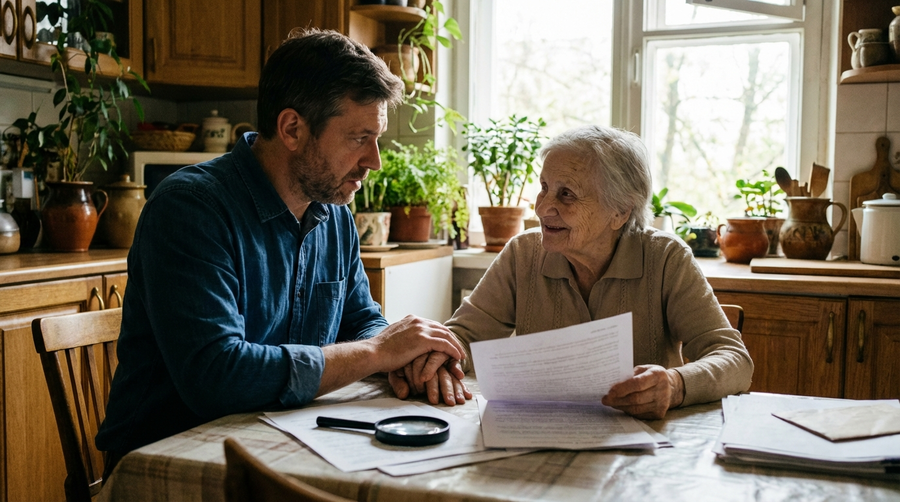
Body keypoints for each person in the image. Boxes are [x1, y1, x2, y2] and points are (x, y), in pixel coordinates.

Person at [95, 28, 467, 468]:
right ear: (292, 128)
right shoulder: (190, 209)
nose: (374, 161)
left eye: (377, 138)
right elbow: (217, 375)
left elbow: (360, 318)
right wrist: (378, 353)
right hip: (172, 458)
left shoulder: (334, 212)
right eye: (358, 138)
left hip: (287, 438)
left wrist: (409, 358)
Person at [393, 125, 752, 419]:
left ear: (620, 212)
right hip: (539, 433)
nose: (543, 207)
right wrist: (439, 360)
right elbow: (462, 336)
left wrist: (675, 385)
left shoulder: (665, 258)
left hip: (640, 445)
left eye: (567, 195)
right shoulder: (523, 253)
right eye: (544, 187)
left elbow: (735, 360)